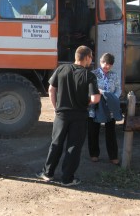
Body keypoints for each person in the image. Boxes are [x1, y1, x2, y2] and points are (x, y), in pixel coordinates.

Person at [36, 45, 101, 186]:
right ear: (87, 57)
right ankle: (67, 178)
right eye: (91, 58)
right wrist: (86, 102)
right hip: (79, 116)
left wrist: (56, 108)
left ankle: (47, 173)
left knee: (56, 144)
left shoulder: (61, 69)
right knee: (73, 147)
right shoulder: (89, 75)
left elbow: (51, 89)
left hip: (61, 114)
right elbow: (95, 99)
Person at [87, 53, 121, 165]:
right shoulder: (93, 74)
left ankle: (113, 156)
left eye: (109, 65)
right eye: (105, 63)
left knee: (111, 131)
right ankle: (94, 154)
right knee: (93, 129)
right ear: (101, 62)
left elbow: (118, 89)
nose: (107, 66)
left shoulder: (114, 75)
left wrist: (113, 98)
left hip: (109, 105)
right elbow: (88, 89)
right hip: (94, 105)